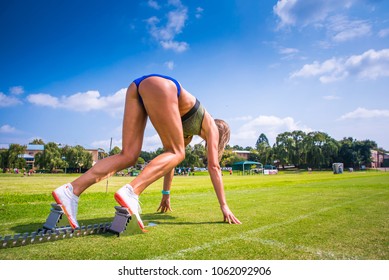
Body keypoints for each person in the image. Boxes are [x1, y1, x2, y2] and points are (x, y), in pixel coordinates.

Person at [52, 74, 241, 230]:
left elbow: (170, 160)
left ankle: (71, 191)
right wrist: (224, 206)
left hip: (137, 87)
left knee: (129, 155)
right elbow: (214, 166)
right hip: (163, 85)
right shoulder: (213, 127)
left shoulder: (188, 135)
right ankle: (131, 192)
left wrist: (166, 194)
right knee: (178, 152)